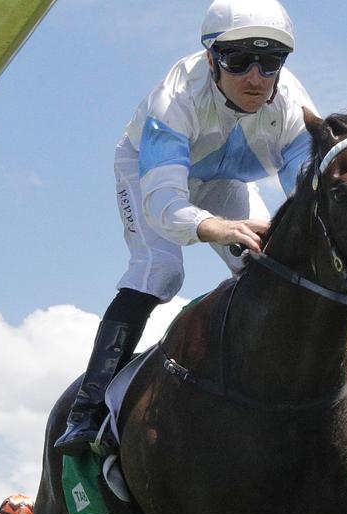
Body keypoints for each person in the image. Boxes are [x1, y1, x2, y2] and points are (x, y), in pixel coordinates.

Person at [54, 0, 318, 455]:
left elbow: (309, 199)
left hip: (222, 181)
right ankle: (86, 409)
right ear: (213, 58)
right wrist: (217, 227)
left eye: (271, 61)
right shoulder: (175, 98)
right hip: (149, 175)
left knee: (270, 260)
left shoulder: (292, 102)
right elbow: (165, 206)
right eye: (238, 60)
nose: (256, 77)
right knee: (160, 270)